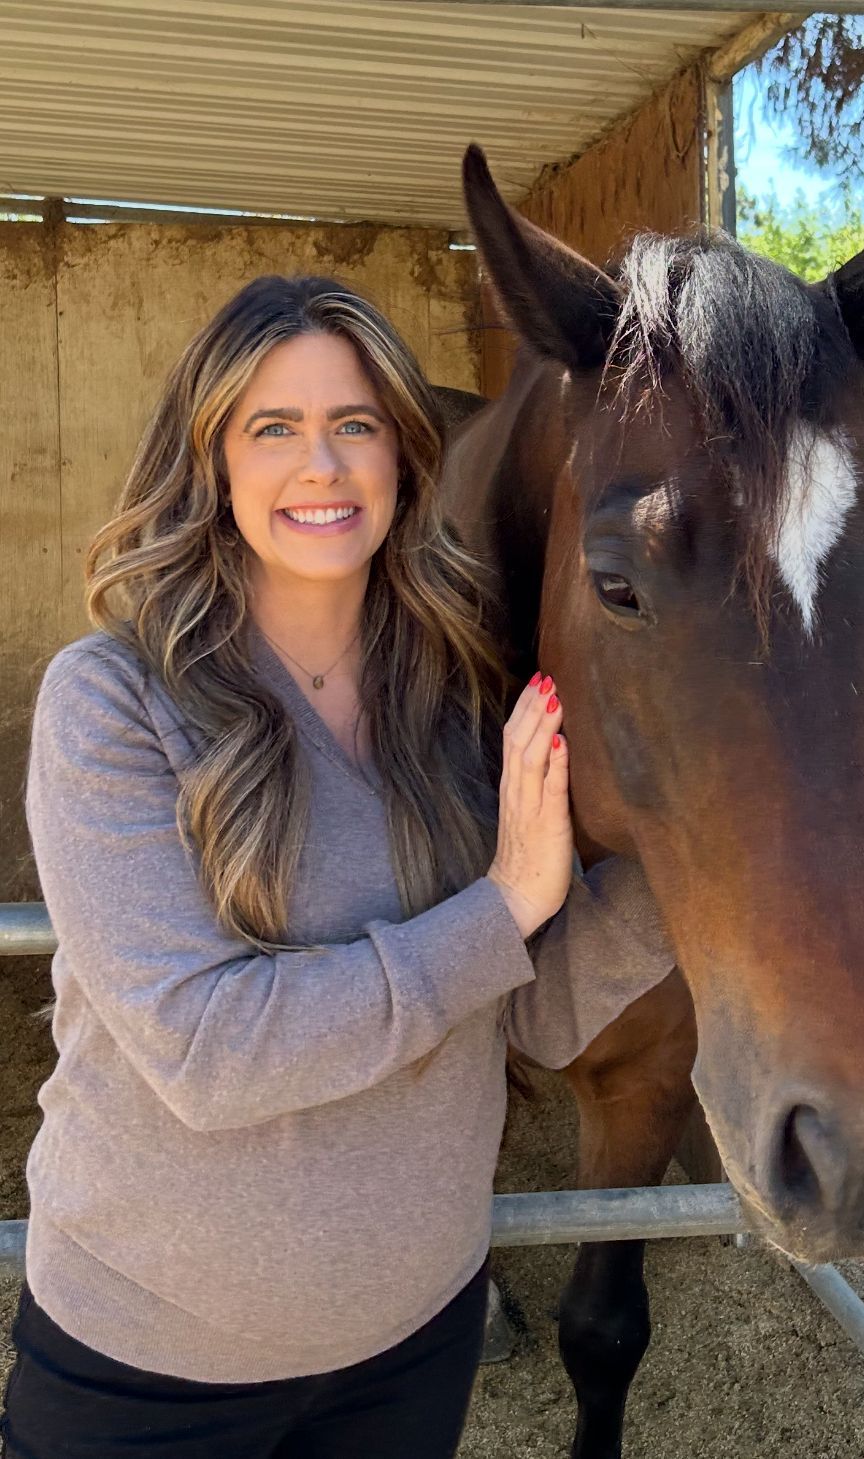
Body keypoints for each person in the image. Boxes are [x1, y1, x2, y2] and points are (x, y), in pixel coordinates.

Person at [1, 275, 676, 1459]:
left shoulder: (461, 709)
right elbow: (205, 1051)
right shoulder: (112, 703)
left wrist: (691, 866)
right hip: (153, 1366)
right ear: (210, 461)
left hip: (411, 1343)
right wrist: (509, 901)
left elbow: (524, 1014)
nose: (322, 463)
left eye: (355, 425)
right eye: (274, 428)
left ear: (404, 459)